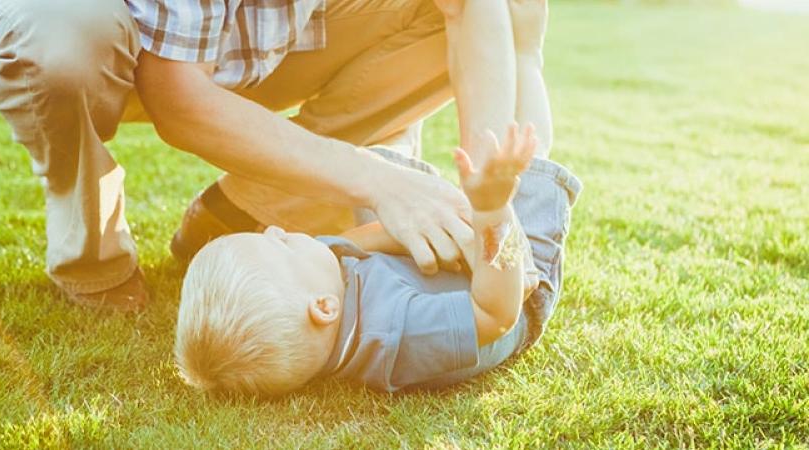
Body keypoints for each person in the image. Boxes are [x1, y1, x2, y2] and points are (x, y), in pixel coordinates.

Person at [0, 0, 520, 310]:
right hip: (90, 30)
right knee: (63, 44)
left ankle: (240, 211)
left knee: (497, 7)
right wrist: (379, 182)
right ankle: (92, 258)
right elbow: (178, 102)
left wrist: (492, 201)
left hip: (250, 39)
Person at [173, 0, 582, 395]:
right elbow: (496, 314)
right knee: (524, 163)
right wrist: (492, 216)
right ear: (324, 309)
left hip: (434, 263)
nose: (277, 229)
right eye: (279, 245)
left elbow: (359, 242)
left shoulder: (317, 280)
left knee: (380, 164)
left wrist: (447, 231)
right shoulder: (400, 332)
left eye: (266, 234)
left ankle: (412, 160)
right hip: (511, 286)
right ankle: (529, 53)